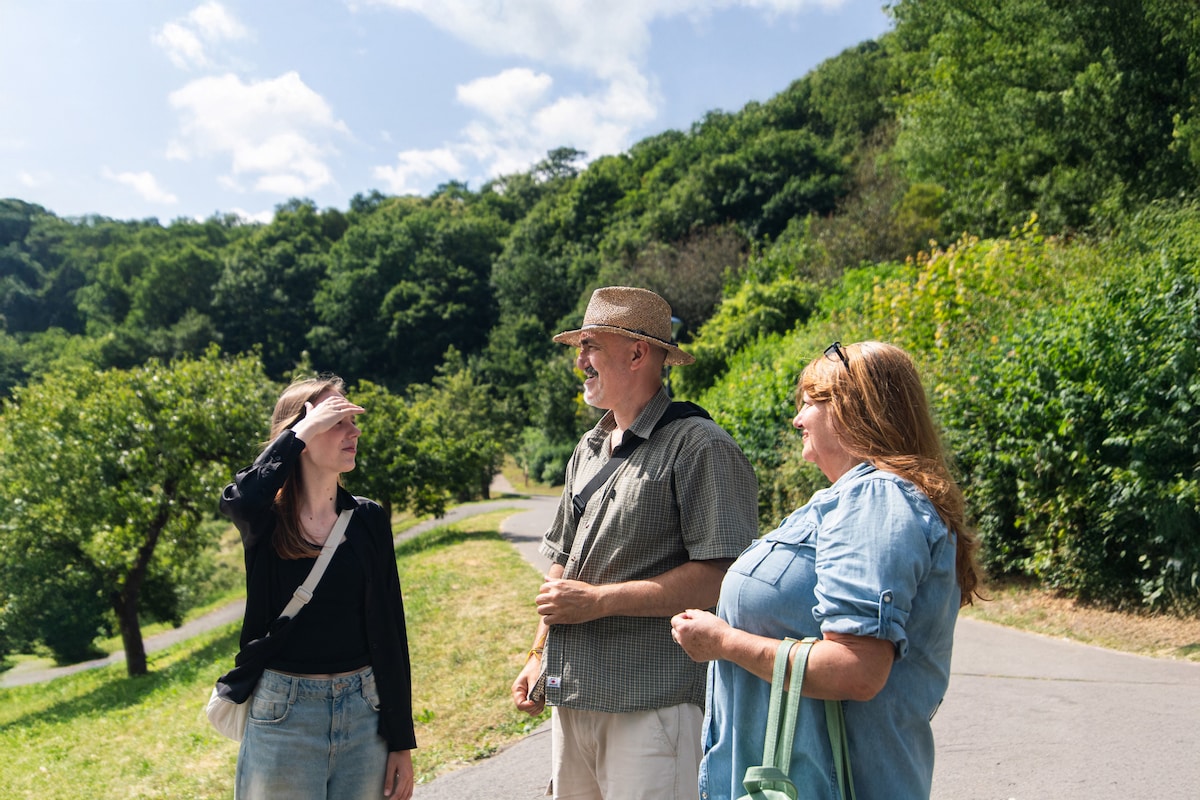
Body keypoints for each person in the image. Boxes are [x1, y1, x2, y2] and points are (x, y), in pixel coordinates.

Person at [671, 341, 982, 800]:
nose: (798, 419)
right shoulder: (856, 498)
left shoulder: (876, 500)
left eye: (810, 403)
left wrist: (724, 642)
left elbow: (855, 670)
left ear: (854, 409)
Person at [511, 286, 760, 800]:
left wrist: (599, 602)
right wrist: (538, 653)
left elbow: (720, 577)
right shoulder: (588, 448)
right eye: (579, 346)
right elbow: (561, 564)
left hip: (652, 705)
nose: (580, 360)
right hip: (572, 694)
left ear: (638, 352)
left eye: (591, 345)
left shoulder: (700, 446)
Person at [219, 376, 415, 800]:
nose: (354, 430)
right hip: (284, 714)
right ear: (299, 433)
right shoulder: (265, 520)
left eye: (353, 419)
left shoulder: (368, 520)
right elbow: (239, 498)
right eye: (337, 420)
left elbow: (390, 632)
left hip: (365, 713)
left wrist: (401, 739)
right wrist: (300, 433)